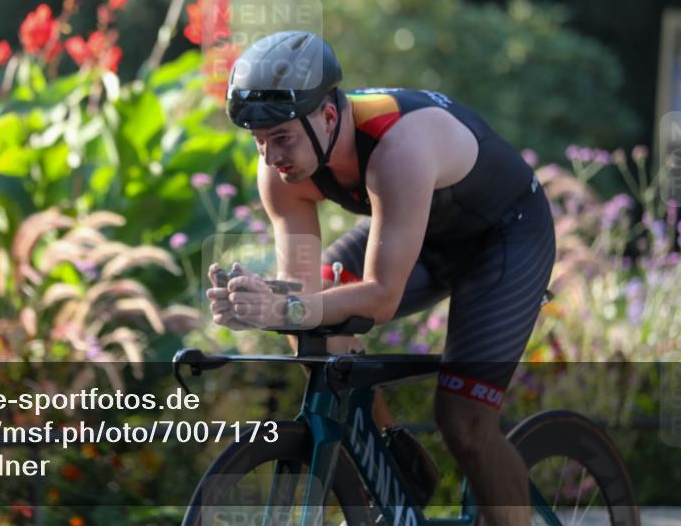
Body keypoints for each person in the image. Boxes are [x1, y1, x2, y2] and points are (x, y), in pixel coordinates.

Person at [205, 30, 556, 525]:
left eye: (280, 138)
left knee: (465, 422)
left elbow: (382, 298)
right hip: (421, 233)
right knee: (312, 336)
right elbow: (303, 296)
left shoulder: (399, 146)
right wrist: (258, 303)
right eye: (259, 141)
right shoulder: (282, 172)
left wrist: (287, 306)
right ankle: (392, 456)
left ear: (329, 116)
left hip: (505, 239)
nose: (270, 158)